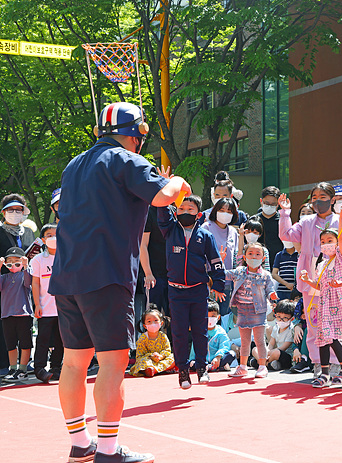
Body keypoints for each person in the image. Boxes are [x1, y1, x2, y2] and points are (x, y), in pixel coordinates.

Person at [49, 101, 190, 463]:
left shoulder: (73, 164)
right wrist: (177, 182)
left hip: (67, 275)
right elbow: (163, 195)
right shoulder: (127, 159)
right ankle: (109, 451)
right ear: (136, 136)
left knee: (74, 362)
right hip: (107, 274)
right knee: (113, 362)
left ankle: (80, 444)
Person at [278, 183, 342, 373]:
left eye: (322, 197)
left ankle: (337, 365)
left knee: (335, 324)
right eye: (314, 197)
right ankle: (318, 364)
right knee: (314, 323)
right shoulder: (306, 222)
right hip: (311, 276)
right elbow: (285, 234)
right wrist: (285, 213)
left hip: (334, 279)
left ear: (332, 200)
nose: (317, 201)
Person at [158, 194, 226, 389]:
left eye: (190, 210)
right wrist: (165, 194)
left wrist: (218, 285)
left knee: (200, 332)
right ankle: (183, 371)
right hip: (176, 291)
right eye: (181, 209)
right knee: (179, 333)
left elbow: (215, 261)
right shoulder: (170, 229)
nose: (185, 212)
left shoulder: (205, 236)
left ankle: (202, 368)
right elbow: (162, 214)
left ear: (198, 214)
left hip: (198, 291)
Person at [299, 209, 342, 387]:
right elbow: (320, 286)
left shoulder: (340, 259)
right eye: (323, 241)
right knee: (322, 337)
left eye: (330, 241)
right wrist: (308, 281)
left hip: (337, 303)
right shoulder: (321, 263)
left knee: (333, 338)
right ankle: (324, 373)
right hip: (324, 304)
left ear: (338, 243)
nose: (325, 244)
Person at [225, 241, 278, 379]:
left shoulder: (265, 275)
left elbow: (270, 289)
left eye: (257, 254)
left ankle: (262, 366)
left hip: (258, 311)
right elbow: (224, 274)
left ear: (263, 258)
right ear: (244, 257)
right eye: (250, 253)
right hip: (242, 309)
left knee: (260, 340)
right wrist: (221, 259)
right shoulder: (239, 271)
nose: (254, 257)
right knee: (245, 341)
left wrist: (272, 297)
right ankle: (242, 367)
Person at [30, 224, 63, 383]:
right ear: (43, 239)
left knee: (61, 340)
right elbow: (35, 283)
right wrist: (37, 304)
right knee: (43, 339)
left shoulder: (67, 256)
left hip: (64, 308)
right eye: (49, 235)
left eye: (56, 234)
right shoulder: (38, 260)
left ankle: (56, 368)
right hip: (45, 308)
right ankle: (39, 368)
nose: (53, 238)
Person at [201, 197, 240, 327]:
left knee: (224, 314)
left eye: (229, 211)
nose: (225, 214)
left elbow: (235, 257)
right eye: (222, 210)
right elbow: (199, 254)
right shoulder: (206, 227)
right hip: (210, 280)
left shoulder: (233, 232)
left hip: (227, 281)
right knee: (209, 314)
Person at [0, 247, 32, 381]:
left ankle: (23, 369)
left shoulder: (25, 274)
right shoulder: (4, 277)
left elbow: (29, 282)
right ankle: (13, 368)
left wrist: (26, 266)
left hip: (23, 315)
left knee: (25, 343)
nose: (13, 265)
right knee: (11, 344)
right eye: (9, 262)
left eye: (17, 262)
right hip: (7, 315)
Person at [140, 206, 170, 318]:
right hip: (154, 276)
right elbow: (142, 245)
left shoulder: (174, 211)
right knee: (152, 317)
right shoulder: (148, 212)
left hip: (173, 276)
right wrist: (148, 273)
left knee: (173, 318)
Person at [129, 306, 174, 377]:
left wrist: (160, 356)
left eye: (156, 320)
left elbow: (167, 350)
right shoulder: (143, 338)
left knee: (173, 357)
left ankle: (154, 370)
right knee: (142, 361)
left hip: (161, 359)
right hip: (149, 360)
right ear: (145, 326)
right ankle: (150, 369)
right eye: (149, 321)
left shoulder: (163, 336)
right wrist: (151, 356)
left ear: (161, 323)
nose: (153, 323)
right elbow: (140, 355)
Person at [189, 301, 234, 372]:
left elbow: (225, 346)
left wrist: (218, 357)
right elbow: (194, 348)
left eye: (213, 316)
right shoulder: (199, 331)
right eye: (207, 316)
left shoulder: (220, 331)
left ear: (218, 317)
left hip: (216, 359)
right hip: (202, 361)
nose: (210, 319)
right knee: (191, 363)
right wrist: (193, 359)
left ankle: (214, 366)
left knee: (232, 354)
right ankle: (212, 367)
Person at [254, 300, 296, 371]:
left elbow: (283, 348)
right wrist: (266, 351)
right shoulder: (276, 327)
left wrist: (267, 354)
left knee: (276, 352)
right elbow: (271, 343)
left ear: (292, 319)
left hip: (285, 356)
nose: (281, 320)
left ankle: (260, 363)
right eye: (279, 316)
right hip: (273, 354)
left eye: (285, 318)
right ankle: (266, 363)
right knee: (255, 349)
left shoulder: (291, 329)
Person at [252, 186, 284, 259]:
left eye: (273, 204)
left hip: (278, 261)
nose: (269, 206)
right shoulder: (254, 220)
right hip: (257, 261)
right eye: (266, 203)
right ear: (261, 201)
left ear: (278, 204)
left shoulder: (282, 220)